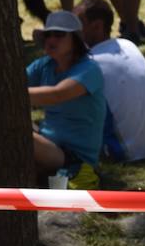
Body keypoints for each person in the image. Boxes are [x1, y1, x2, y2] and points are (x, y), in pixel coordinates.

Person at [73, 0, 145, 162]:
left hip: (119, 151)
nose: (72, 31)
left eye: (77, 24)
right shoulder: (128, 45)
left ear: (97, 26)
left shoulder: (90, 63)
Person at [26, 11, 106, 189]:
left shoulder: (89, 69)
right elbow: (12, 81)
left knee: (18, 135)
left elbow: (57, 95)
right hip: (49, 145)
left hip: (74, 158)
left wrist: (6, 95)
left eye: (59, 35)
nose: (51, 40)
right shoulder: (45, 65)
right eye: (48, 35)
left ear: (75, 40)